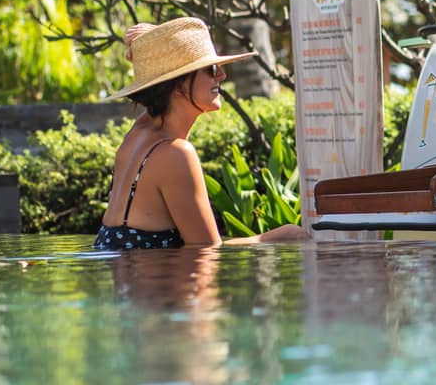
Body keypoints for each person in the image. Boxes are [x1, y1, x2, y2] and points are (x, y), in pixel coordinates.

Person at [94, 17, 310, 250]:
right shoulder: (175, 154)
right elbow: (206, 250)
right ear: (177, 85)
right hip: (155, 283)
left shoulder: (139, 133)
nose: (221, 76)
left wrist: (156, 43)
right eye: (210, 69)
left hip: (130, 280)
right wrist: (282, 235)